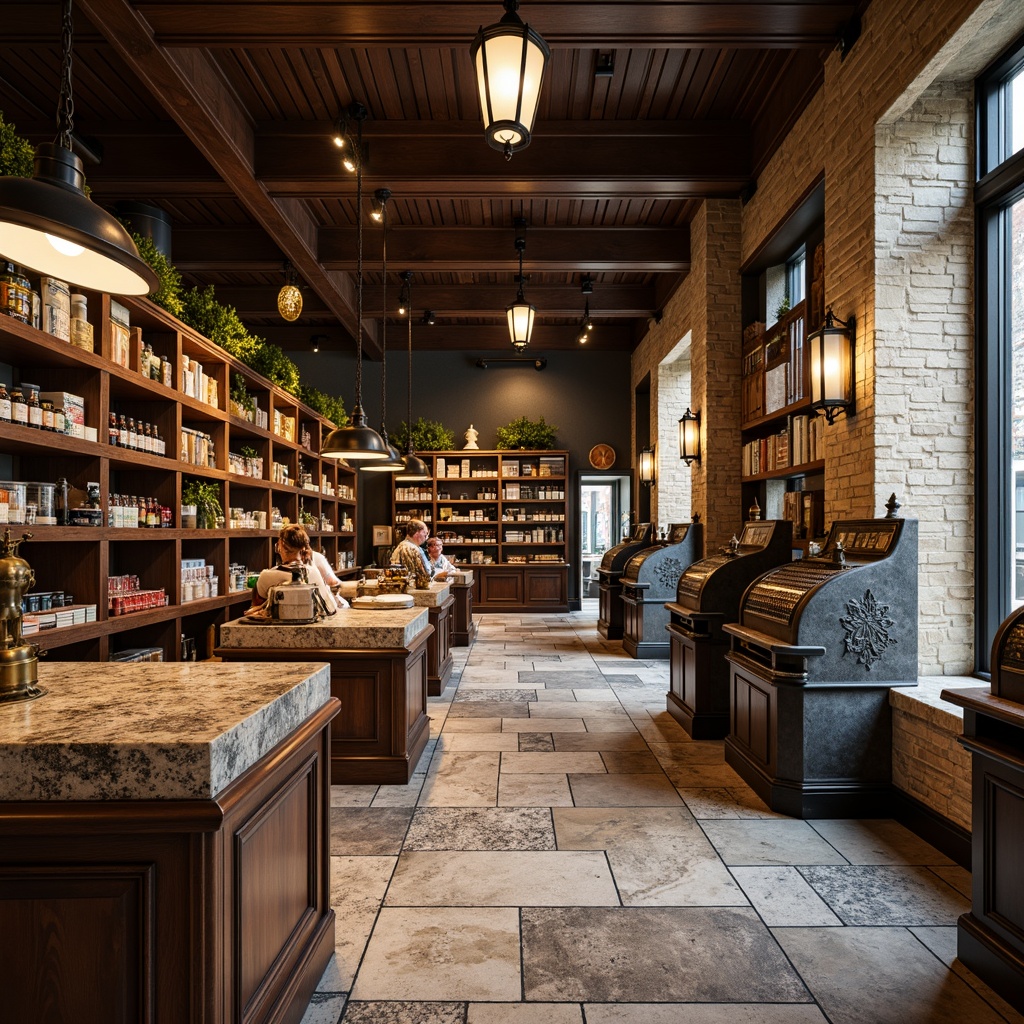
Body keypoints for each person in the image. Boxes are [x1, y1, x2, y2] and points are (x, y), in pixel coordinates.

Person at [251, 524, 348, 612]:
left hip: (276, 628)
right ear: (303, 548)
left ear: (281, 546)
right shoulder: (313, 572)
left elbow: (255, 609)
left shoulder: (266, 576)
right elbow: (329, 607)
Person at [390, 519, 432, 588]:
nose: (426, 537)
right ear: (417, 533)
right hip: (410, 591)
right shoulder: (411, 548)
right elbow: (422, 580)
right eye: (425, 533)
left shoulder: (402, 545)